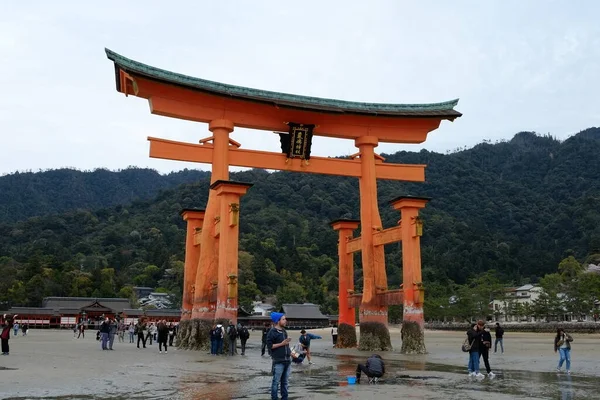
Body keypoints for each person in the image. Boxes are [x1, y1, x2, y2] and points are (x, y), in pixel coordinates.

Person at [267, 312, 292, 400]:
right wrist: (282, 343)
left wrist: (289, 352)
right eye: (283, 319)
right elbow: (270, 346)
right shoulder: (272, 332)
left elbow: (286, 345)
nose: (286, 321)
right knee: (276, 382)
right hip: (278, 361)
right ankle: (274, 398)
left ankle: (285, 398)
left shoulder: (284, 331)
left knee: (285, 382)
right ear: (278, 321)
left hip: (287, 360)